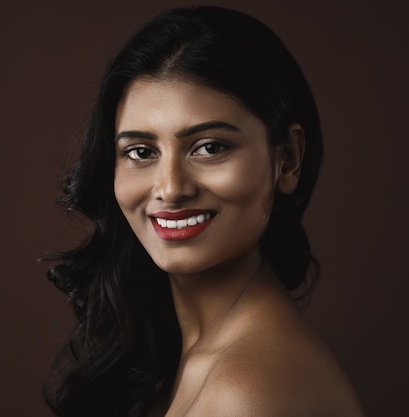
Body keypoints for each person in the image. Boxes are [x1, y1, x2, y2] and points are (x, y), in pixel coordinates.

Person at [43, 6, 364, 416]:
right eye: (141, 152)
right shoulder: (190, 356)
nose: (171, 188)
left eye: (210, 147)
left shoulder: (251, 390)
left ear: (287, 160)